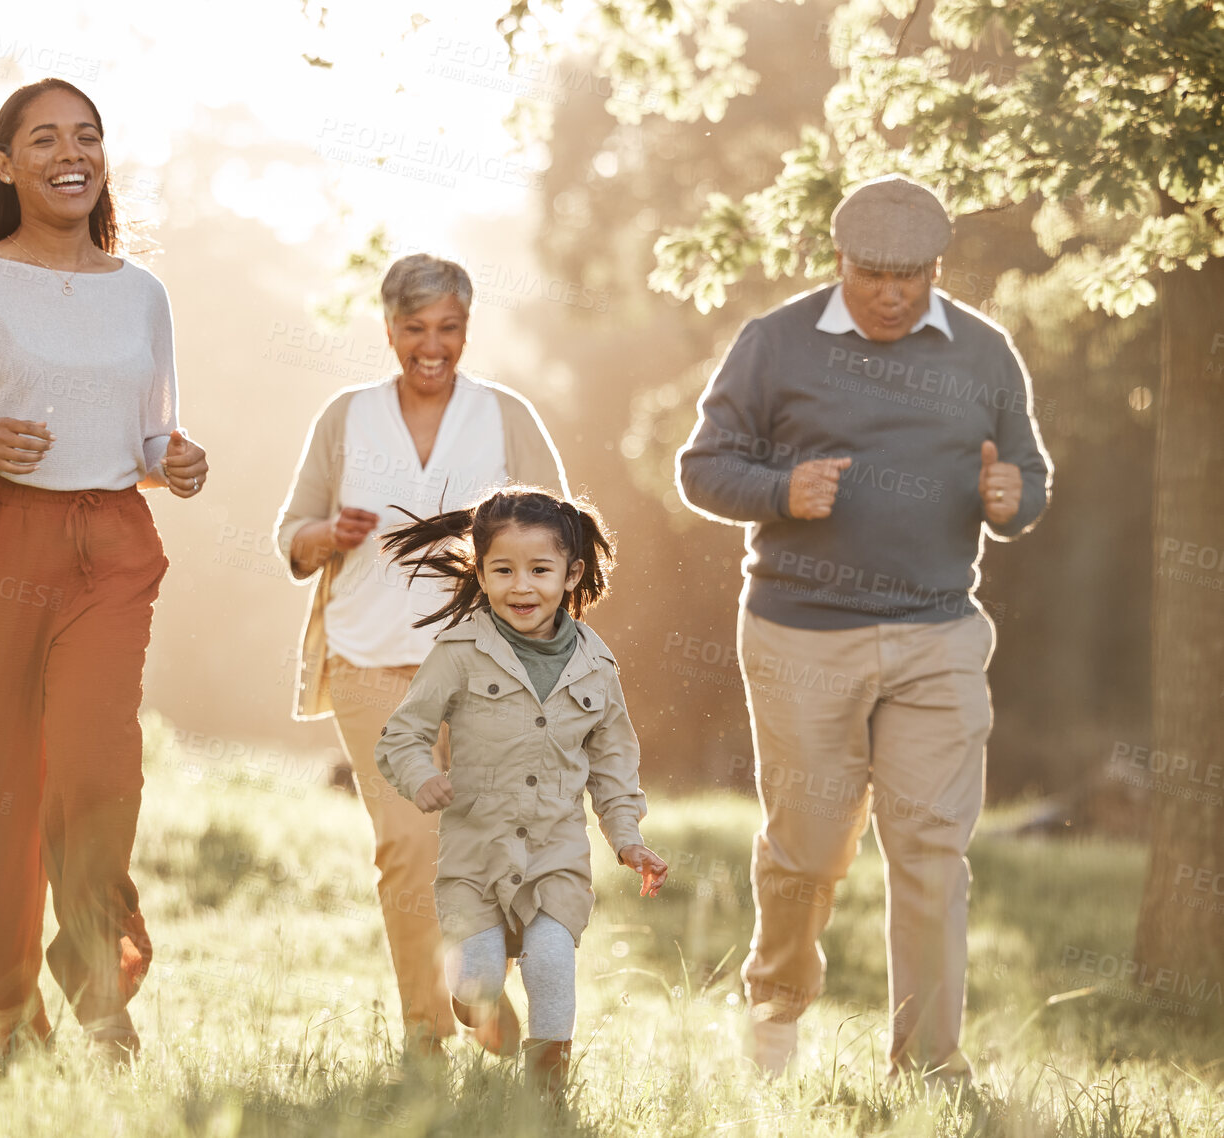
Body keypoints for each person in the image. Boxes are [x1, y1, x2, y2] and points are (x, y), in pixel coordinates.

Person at [676, 175, 1052, 1078]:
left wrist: (1015, 501)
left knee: (931, 848)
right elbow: (701, 468)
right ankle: (777, 1010)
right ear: (838, 260)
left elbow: (1029, 476)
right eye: (872, 273)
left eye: (912, 275)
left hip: (938, 634)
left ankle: (927, 1065)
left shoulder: (984, 352)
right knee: (808, 845)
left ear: (936, 269)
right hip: (803, 636)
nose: (891, 293)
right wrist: (778, 491)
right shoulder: (776, 343)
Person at [0, 77, 207, 1061]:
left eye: (88, 137)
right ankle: (10, 1011)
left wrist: (178, 462)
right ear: (5, 163)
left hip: (110, 547)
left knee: (101, 768)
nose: (73, 153)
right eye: (46, 138)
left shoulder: (143, 293)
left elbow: (151, 441)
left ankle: (96, 974)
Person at [273, 253, 568, 1056]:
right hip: (370, 663)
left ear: (468, 327)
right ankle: (425, 1034)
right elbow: (290, 534)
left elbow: (560, 536)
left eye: (449, 329)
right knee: (408, 848)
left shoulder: (505, 416)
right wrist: (325, 535)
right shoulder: (346, 417)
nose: (432, 347)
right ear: (389, 328)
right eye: (414, 330)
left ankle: (479, 983)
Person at [373, 487, 668, 1095]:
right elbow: (401, 736)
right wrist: (421, 775)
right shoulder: (458, 653)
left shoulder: (597, 665)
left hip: (556, 854)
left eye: (540, 570)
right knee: (478, 983)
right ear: (479, 572)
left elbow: (614, 762)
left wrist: (628, 838)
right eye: (503, 570)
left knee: (554, 960)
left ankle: (546, 1095)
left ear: (572, 572)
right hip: (476, 857)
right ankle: (478, 1002)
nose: (522, 586)